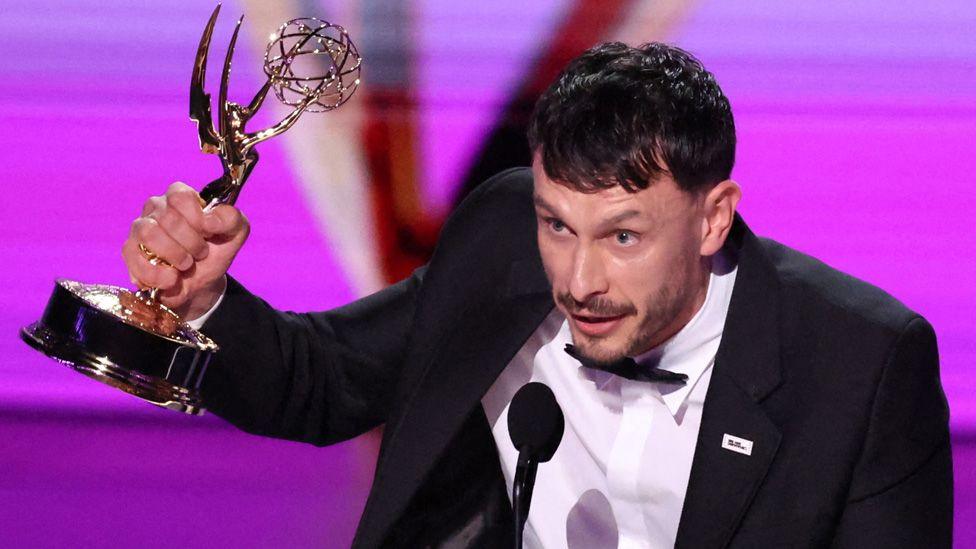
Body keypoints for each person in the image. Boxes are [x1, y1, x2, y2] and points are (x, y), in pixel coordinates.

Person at [122, 43, 952, 548]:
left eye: (622, 236)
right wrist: (205, 301)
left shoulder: (862, 365)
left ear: (713, 219)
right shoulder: (501, 236)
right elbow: (325, 377)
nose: (579, 280)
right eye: (560, 225)